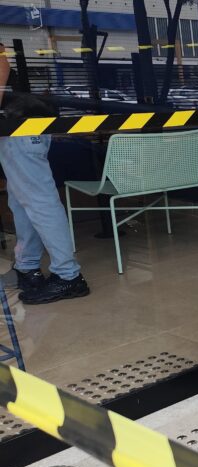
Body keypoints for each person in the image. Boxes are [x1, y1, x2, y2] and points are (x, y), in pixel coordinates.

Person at [0, 44, 89, 304]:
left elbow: (1, 63)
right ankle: (27, 267)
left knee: (39, 201)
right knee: (21, 201)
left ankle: (69, 277)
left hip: (17, 127)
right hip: (16, 127)